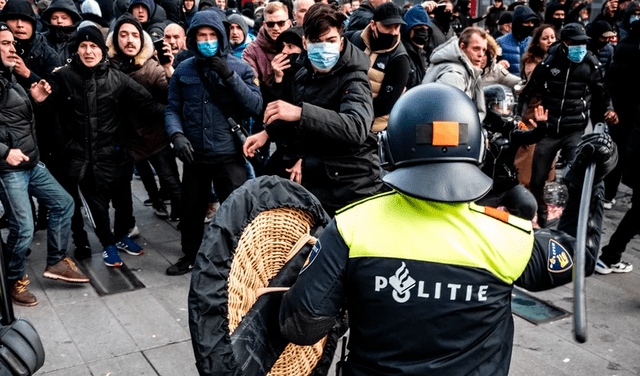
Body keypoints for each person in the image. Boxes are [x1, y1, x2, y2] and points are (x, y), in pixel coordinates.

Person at [278, 83, 617, 375]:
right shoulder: (507, 238)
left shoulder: (352, 227)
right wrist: (588, 177)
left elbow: (302, 325)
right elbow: (579, 253)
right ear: (479, 149)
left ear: (388, 150)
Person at [37, 24, 165, 267]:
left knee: (125, 207)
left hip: (116, 155)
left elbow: (147, 104)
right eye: (83, 46)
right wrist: (40, 101)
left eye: (94, 46)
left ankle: (121, 237)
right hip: (83, 161)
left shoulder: (118, 79)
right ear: (76, 50)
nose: (88, 51)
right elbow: (48, 107)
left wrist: (174, 112)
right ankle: (108, 245)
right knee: (98, 211)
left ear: (102, 51)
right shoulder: (63, 76)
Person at [243, 3, 384, 217]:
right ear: (305, 43)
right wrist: (267, 133)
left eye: (331, 40)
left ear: (341, 42)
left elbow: (356, 127)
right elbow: (304, 119)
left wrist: (300, 113)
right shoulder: (304, 74)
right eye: (317, 42)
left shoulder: (354, 79)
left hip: (352, 185)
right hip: (321, 178)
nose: (324, 47)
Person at [165, 9, 262, 275]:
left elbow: (255, 106)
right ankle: (190, 254)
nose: (206, 40)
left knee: (235, 210)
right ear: (193, 38)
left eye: (212, 35)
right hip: (194, 154)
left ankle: (236, 258)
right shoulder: (183, 69)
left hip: (229, 154)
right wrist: (177, 135)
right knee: (191, 209)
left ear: (221, 37)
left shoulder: (241, 67)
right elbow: (172, 107)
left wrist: (229, 77)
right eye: (201, 36)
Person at [0, 22, 89, 307]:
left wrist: (34, 99)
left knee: (63, 203)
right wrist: (3, 153)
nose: (12, 48)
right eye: (4, 43)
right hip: (9, 168)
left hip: (30, 162)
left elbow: (14, 117)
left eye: (12, 43)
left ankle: (55, 261)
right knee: (23, 227)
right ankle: (13, 280)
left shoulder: (8, 75)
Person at [516, 23, 618, 227]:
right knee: (537, 180)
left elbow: (602, 92)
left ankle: (570, 222)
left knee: (575, 178)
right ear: (565, 42)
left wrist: (609, 109)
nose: (580, 48)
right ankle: (542, 218)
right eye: (576, 43)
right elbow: (527, 92)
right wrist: (518, 117)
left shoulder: (590, 63)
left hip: (574, 130)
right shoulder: (549, 63)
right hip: (549, 129)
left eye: (583, 43)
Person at [107, 14, 182, 221]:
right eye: (124, 35)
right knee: (145, 175)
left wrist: (168, 69)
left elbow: (172, 98)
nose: (130, 40)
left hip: (156, 136)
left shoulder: (151, 67)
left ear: (142, 40)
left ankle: (180, 213)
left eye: (134, 35)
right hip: (129, 138)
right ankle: (156, 202)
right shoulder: (107, 68)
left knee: (170, 178)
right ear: (115, 40)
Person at [477, 84, 545, 220]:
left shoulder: (511, 131)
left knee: (528, 205)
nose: (505, 112)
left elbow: (532, 137)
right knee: (477, 216)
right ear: (486, 107)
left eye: (508, 108)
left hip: (507, 186)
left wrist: (541, 127)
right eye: (499, 107)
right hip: (482, 190)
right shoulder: (476, 130)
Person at [349, 2, 409, 132]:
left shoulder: (399, 59)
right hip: (348, 122)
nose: (393, 32)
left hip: (376, 129)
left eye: (397, 27)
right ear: (373, 25)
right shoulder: (355, 39)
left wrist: (353, 109)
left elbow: (386, 103)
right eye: (388, 26)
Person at [601, 14, 640, 209]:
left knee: (618, 151)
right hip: (629, 109)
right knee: (623, 152)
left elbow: (611, 80)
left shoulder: (626, 43)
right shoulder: (631, 46)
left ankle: (609, 195)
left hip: (623, 108)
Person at [423, 26, 487, 120]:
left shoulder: (466, 69)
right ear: (462, 47)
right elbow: (444, 116)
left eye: (484, 50)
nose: (481, 54)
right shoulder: (455, 75)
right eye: (476, 49)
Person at [242, 1, 291, 87]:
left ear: (289, 23)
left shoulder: (300, 44)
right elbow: (251, 88)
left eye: (280, 23)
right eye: (270, 24)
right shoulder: (251, 52)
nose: (276, 28)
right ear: (264, 24)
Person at [496, 5, 539, 75]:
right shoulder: (500, 42)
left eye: (532, 23)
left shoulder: (534, 42)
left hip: (528, 84)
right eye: (527, 22)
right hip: (507, 83)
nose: (530, 25)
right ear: (517, 23)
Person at [400, 4, 431, 89]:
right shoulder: (401, 54)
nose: (423, 33)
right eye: (419, 27)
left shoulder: (422, 53)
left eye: (426, 29)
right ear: (408, 29)